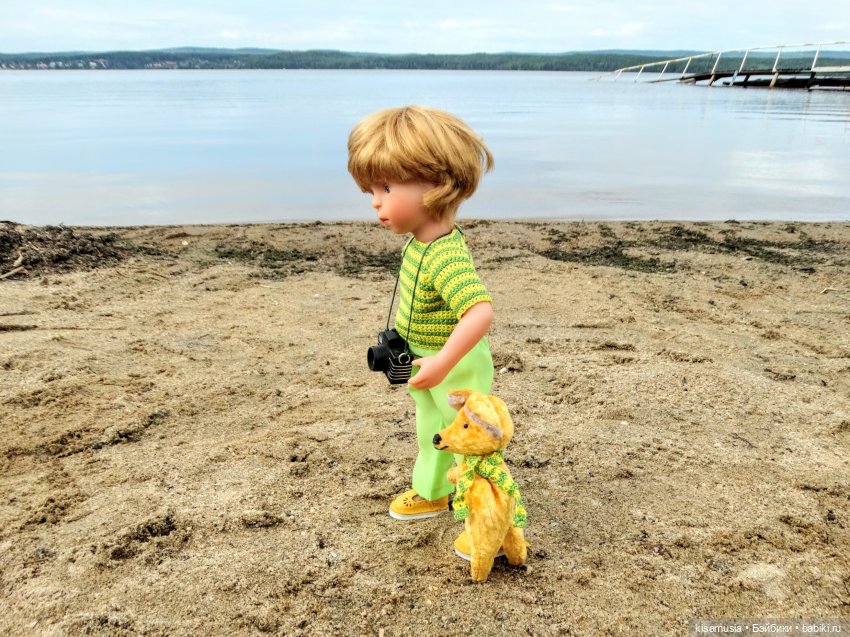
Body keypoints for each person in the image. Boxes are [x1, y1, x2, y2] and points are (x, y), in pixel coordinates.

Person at [347, 105, 495, 520]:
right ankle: (432, 491)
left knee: (468, 437)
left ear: (437, 183)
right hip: (425, 357)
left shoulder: (445, 255)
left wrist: (444, 361)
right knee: (430, 428)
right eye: (371, 192)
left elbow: (480, 311)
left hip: (456, 363)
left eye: (386, 189)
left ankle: (484, 516)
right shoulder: (420, 243)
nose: (376, 204)